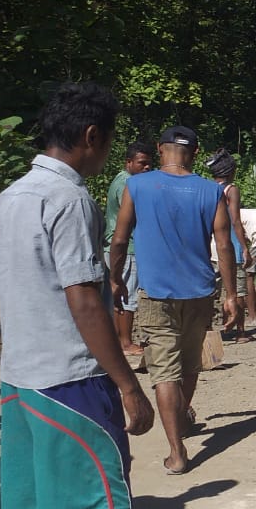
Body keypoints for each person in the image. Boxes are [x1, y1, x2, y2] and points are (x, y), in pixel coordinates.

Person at [0, 82, 155, 509]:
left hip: (20, 377)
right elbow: (83, 301)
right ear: (90, 136)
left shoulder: (11, 195)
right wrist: (128, 385)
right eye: (107, 142)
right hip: (68, 378)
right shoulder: (69, 197)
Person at [111, 125, 239, 476]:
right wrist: (231, 295)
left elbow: (120, 239)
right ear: (196, 153)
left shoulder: (136, 185)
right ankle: (181, 420)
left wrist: (114, 279)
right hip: (200, 293)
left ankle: (177, 451)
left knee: (164, 371)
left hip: (156, 294)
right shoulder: (210, 191)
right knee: (190, 365)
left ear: (159, 147)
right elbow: (224, 245)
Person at [103, 142, 153, 356]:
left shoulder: (123, 180)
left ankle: (118, 341)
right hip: (125, 248)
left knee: (119, 295)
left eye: (150, 163)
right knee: (126, 296)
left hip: (116, 246)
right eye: (142, 163)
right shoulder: (128, 183)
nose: (147, 167)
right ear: (129, 162)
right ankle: (125, 342)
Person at [207, 148, 254, 343]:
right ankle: (240, 332)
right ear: (230, 171)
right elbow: (235, 220)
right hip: (230, 247)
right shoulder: (231, 189)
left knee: (211, 291)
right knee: (237, 289)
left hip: (211, 247)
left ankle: (210, 329)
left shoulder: (208, 188)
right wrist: (244, 247)